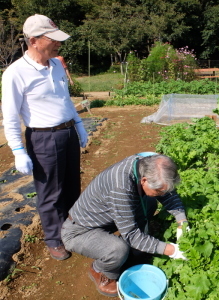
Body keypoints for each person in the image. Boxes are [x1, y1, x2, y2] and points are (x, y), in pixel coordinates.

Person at [1, 14, 88, 260]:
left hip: (68, 132)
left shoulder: (57, 65)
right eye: (52, 40)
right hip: (43, 139)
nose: (58, 44)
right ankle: (54, 238)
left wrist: (79, 125)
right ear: (34, 41)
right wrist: (18, 150)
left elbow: (65, 100)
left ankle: (73, 230)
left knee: (72, 184)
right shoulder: (15, 73)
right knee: (51, 192)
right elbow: (10, 115)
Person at [61, 153, 189, 297]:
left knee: (149, 202)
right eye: (159, 191)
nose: (162, 193)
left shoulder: (144, 166)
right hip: (80, 230)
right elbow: (132, 235)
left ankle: (135, 251)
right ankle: (100, 271)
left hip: (106, 219)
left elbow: (166, 193)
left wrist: (181, 221)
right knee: (118, 249)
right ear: (144, 180)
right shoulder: (120, 185)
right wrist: (172, 250)